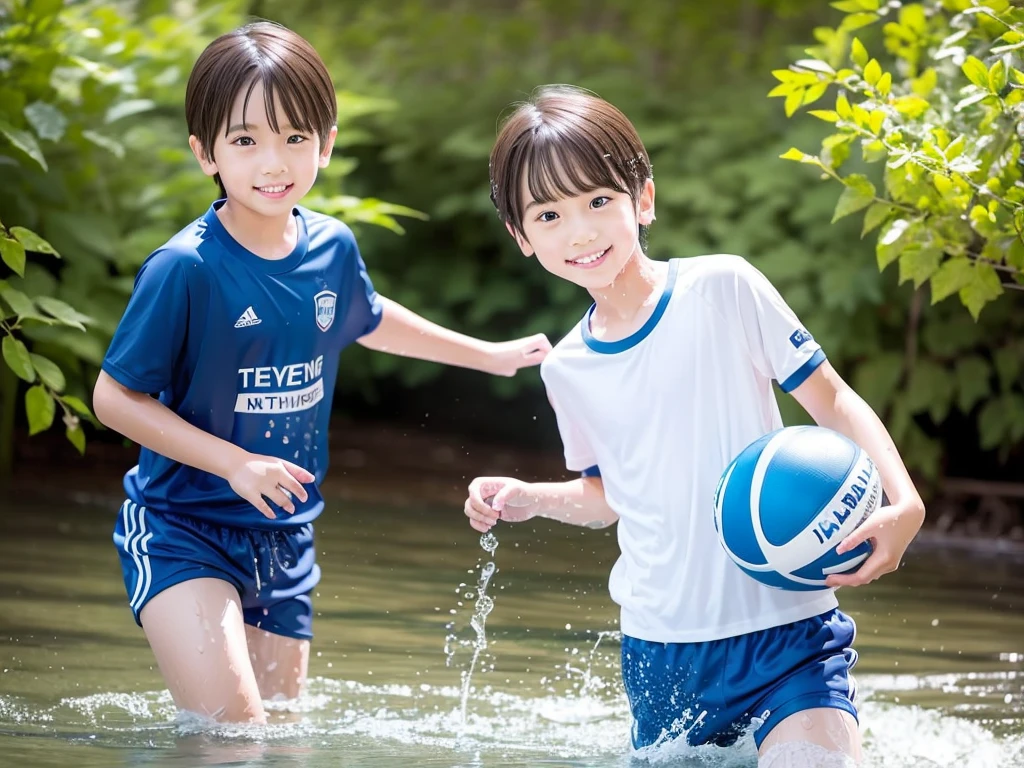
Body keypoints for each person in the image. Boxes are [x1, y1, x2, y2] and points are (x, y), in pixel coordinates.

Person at [92, 21, 550, 725]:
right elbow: (113, 398)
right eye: (245, 140)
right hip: (183, 526)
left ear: (327, 142)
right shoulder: (185, 269)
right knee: (233, 735)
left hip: (285, 533)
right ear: (204, 153)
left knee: (282, 737)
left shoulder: (331, 246)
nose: (273, 162)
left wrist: (486, 356)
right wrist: (235, 463)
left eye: (295, 138)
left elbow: (366, 318)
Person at [463, 85, 925, 764]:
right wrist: (532, 498)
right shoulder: (567, 368)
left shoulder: (724, 288)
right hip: (664, 655)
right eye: (550, 215)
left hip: (790, 633)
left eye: (598, 201)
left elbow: (832, 399)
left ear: (642, 199)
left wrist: (905, 502)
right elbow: (611, 498)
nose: (581, 231)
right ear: (522, 237)